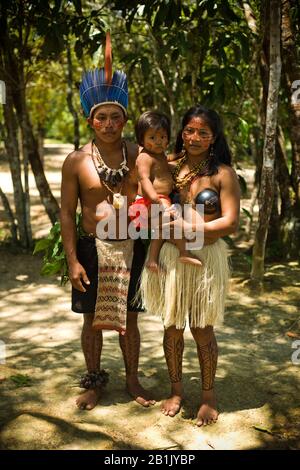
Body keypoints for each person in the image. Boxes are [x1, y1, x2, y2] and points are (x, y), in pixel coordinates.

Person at [60, 33, 154, 410]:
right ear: (90, 120)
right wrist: (72, 260)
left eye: (116, 117)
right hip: (91, 247)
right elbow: (67, 212)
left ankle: (132, 379)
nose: (109, 123)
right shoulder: (77, 161)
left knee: (130, 319)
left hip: (131, 245)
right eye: (102, 117)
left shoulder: (141, 155)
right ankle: (95, 382)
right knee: (92, 321)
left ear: (125, 119)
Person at [140, 105, 240, 426]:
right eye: (189, 131)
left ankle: (209, 396)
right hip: (171, 256)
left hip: (204, 257)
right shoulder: (169, 166)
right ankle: (176, 390)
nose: (195, 137)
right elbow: (142, 178)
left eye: (203, 132)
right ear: (182, 133)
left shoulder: (223, 174)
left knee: (201, 328)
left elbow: (230, 222)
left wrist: (193, 230)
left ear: (214, 138)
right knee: (171, 326)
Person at [131, 110, 203, 272]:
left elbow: (169, 159)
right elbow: (144, 179)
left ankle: (153, 260)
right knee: (172, 219)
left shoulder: (160, 155)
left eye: (162, 137)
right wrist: (155, 199)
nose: (158, 141)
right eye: (152, 138)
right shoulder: (144, 158)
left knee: (163, 229)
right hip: (148, 201)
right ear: (141, 139)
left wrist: (182, 154)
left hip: (160, 199)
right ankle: (183, 251)